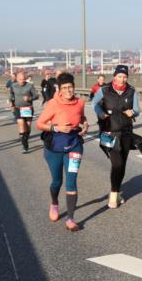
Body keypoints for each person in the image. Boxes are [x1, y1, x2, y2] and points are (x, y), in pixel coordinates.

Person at [36, 72, 89, 232]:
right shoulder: (53, 103)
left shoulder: (80, 102)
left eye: (70, 87)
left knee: (71, 181)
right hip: (54, 146)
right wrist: (56, 127)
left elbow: (82, 117)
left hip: (73, 144)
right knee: (57, 181)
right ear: (59, 89)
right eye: (65, 88)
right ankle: (54, 202)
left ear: (74, 87)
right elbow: (40, 124)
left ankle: (71, 219)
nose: (68, 91)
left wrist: (85, 125)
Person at [92, 64, 141, 209]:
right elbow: (94, 103)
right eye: (120, 76)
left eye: (125, 76)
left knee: (122, 165)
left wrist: (133, 112)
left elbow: (137, 110)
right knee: (116, 163)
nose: (122, 79)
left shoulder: (132, 91)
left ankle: (118, 191)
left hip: (126, 132)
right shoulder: (104, 90)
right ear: (114, 77)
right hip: (109, 132)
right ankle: (113, 195)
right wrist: (101, 114)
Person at [10, 71, 40, 153]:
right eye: (20, 79)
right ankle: (24, 145)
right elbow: (11, 95)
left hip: (28, 108)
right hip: (18, 108)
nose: (22, 81)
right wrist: (11, 102)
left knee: (28, 126)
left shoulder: (30, 85)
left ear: (25, 79)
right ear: (17, 79)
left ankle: (24, 138)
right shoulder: (13, 86)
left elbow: (36, 96)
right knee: (21, 124)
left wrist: (30, 98)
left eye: (23, 79)